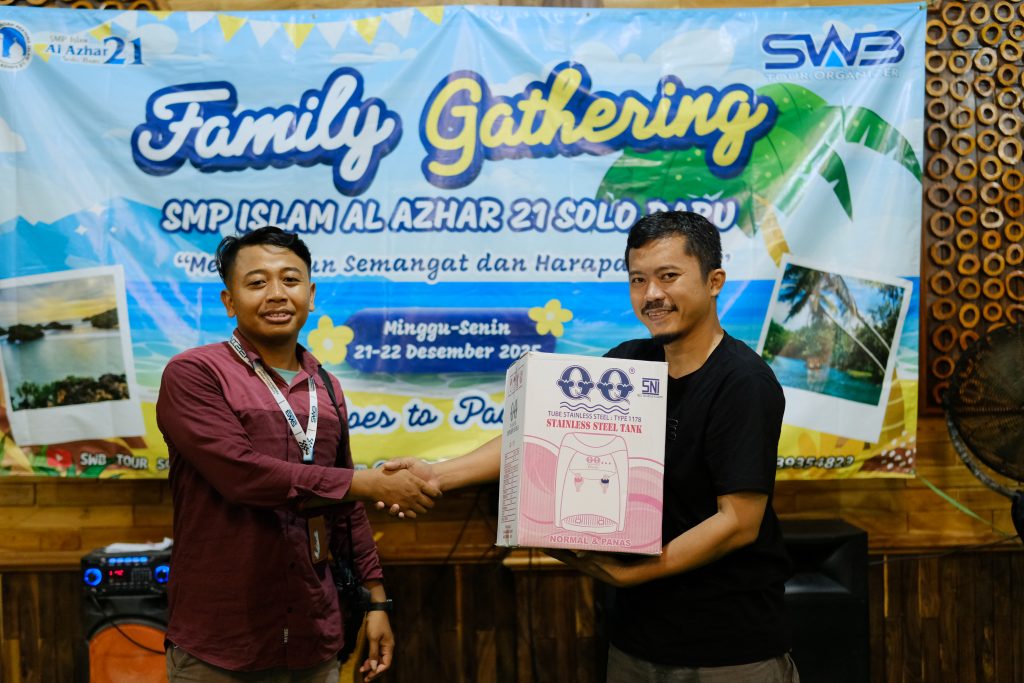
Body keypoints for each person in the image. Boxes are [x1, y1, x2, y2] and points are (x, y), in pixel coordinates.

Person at [385, 211, 798, 682]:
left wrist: (632, 574)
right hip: (635, 642)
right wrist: (437, 475)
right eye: (638, 279)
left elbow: (738, 523)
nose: (652, 294)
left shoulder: (743, 382)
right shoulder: (628, 365)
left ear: (714, 281)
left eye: (668, 276)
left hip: (729, 651)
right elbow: (537, 435)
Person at [156, 226, 441, 682]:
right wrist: (366, 483)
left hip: (315, 637)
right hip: (220, 643)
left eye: (290, 280)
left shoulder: (327, 386)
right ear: (229, 301)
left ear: (310, 295)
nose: (276, 294)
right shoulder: (194, 373)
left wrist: (377, 600)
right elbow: (243, 476)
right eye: (257, 282)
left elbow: (346, 507)